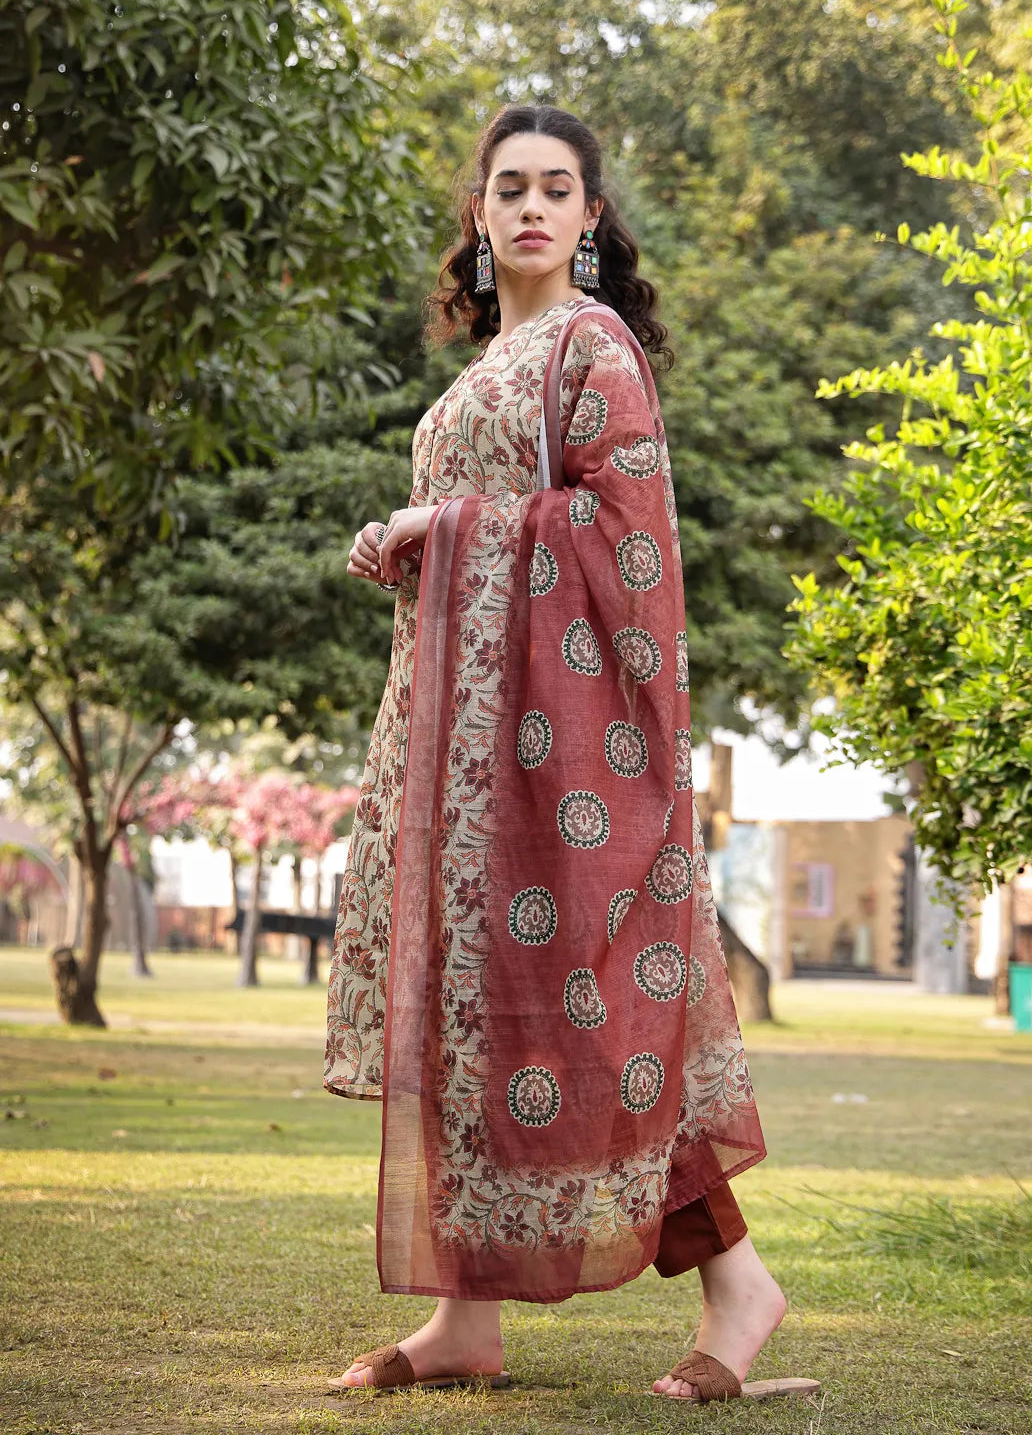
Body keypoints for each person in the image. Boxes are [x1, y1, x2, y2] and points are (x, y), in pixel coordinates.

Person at [323, 103, 815, 1406]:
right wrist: (409, 543)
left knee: (584, 1019)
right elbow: (479, 526)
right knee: (475, 1015)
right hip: (461, 754)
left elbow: (624, 534)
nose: (532, 207)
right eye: (510, 188)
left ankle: (740, 1285)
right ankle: (464, 1320)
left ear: (591, 217)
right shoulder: (491, 363)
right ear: (479, 214)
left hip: (562, 758)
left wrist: (448, 524)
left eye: (557, 189)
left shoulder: (594, 348)